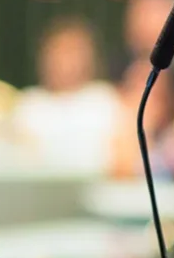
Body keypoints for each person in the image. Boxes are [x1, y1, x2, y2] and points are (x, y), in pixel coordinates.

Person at [10, 16, 121, 174]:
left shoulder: (105, 98)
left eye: (73, 51)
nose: (65, 60)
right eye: (59, 50)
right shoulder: (29, 103)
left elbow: (124, 158)